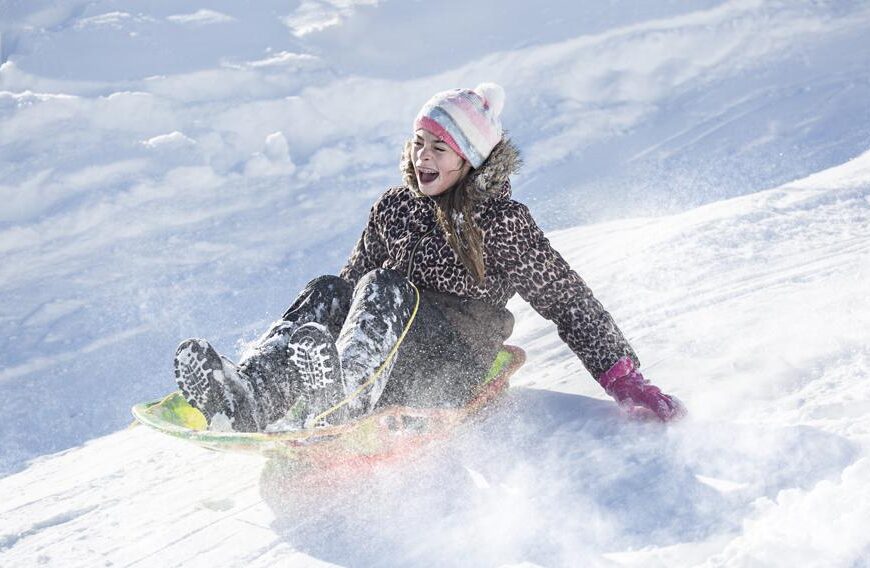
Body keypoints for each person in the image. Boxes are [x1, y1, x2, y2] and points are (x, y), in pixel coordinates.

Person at [173, 83, 686, 432]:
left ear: (470, 159)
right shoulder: (394, 208)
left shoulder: (501, 222)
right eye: (419, 144)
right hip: (384, 356)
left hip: (451, 366)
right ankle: (254, 394)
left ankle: (349, 393)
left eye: (439, 150)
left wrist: (623, 378)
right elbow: (351, 290)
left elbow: (568, 301)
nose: (423, 158)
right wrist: (317, 333)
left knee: (384, 286)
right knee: (331, 287)